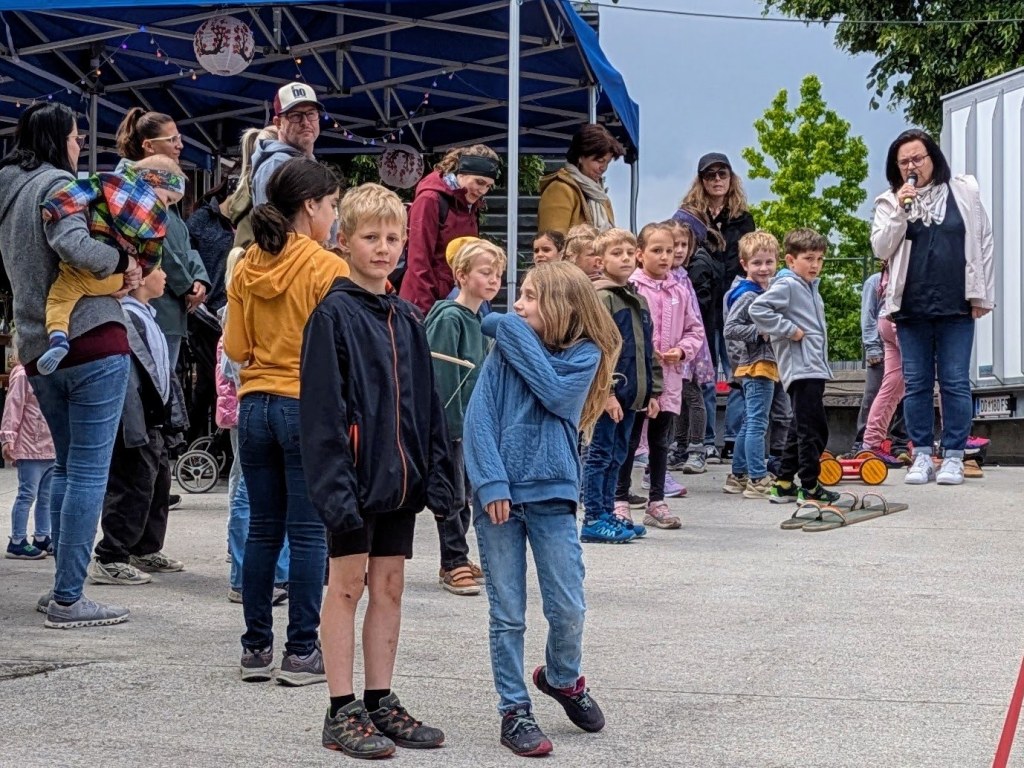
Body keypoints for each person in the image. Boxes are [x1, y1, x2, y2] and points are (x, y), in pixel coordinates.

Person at [300, 183, 453, 758]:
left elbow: (427, 406)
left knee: (389, 586)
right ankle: (341, 708)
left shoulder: (408, 319)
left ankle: (380, 698)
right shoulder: (331, 316)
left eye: (392, 238)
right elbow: (323, 413)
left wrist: (437, 476)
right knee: (346, 586)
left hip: (399, 481)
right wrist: (335, 492)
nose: (383, 248)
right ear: (344, 241)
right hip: (353, 482)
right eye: (370, 237)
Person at [464, 261, 620, 757]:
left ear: (561, 305)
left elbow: (555, 393)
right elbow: (479, 418)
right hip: (500, 499)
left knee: (568, 607)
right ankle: (514, 709)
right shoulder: (505, 349)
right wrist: (490, 483)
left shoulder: (586, 354)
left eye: (530, 297)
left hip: (552, 496)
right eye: (518, 297)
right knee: (507, 613)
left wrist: (504, 326)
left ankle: (562, 678)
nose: (517, 305)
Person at [0, 102, 139, 629]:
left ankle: (63, 584)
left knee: (64, 467)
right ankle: (68, 598)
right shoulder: (59, 184)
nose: (80, 146)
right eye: (77, 137)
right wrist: (121, 261)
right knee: (87, 474)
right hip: (92, 338)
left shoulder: (8, 190)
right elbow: (73, 243)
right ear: (58, 139)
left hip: (38, 346)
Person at [224, 158, 350, 685]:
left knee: (262, 530)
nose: (335, 216)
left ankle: (255, 649)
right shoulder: (327, 268)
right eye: (333, 205)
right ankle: (301, 652)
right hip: (305, 406)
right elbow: (339, 351)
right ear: (310, 206)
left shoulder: (246, 264)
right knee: (308, 534)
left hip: (254, 405)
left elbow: (235, 347)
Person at [871, 128, 995, 486]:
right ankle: (922, 454)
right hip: (911, 307)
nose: (912, 166)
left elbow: (984, 241)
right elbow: (881, 248)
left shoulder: (964, 192)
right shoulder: (888, 202)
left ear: (932, 158)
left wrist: (982, 295)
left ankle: (954, 454)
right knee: (917, 383)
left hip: (956, 304)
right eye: (904, 162)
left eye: (917, 158)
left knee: (955, 381)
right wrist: (900, 209)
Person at [36, 154, 185, 375]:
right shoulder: (159, 220)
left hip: (84, 269)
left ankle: (58, 338)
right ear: (155, 181)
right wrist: (137, 275)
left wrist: (55, 207)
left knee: (59, 299)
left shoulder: (109, 182)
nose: (167, 206)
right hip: (115, 280)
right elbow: (152, 257)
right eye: (169, 199)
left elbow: (79, 191)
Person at [88, 265, 187, 585]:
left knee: (157, 484)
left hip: (153, 418)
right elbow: (131, 375)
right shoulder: (128, 317)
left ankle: (144, 548)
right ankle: (111, 555)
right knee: (132, 484)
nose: (165, 275)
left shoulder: (147, 315)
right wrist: (135, 420)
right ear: (141, 278)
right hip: (138, 417)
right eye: (159, 269)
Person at [425, 239, 506, 595]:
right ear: (461, 275)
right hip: (449, 425)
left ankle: (457, 556)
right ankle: (453, 560)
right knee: (450, 493)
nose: (494, 280)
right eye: (485, 273)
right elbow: (443, 378)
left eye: (498, 274)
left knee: (465, 492)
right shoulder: (449, 318)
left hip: (471, 425)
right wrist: (452, 426)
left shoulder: (480, 320)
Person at [216, 247, 289, 606]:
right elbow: (233, 362)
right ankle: (246, 577)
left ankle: (275, 573)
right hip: (256, 402)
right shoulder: (239, 308)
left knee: (270, 491)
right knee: (249, 490)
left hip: (269, 400)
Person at [749, 229, 841, 506]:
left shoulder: (810, 288)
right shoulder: (788, 285)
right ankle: (810, 485)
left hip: (812, 366)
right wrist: (790, 330)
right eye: (809, 258)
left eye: (820, 259)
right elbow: (758, 309)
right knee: (813, 431)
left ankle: (784, 483)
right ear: (791, 260)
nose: (815, 265)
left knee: (799, 427)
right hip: (801, 369)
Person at [115, 108, 210, 370]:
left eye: (179, 138)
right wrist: (186, 285)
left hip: (170, 305)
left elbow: (183, 239)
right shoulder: (133, 185)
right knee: (154, 383)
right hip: (152, 303)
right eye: (172, 139)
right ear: (148, 145)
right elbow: (157, 242)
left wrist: (199, 277)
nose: (180, 145)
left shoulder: (164, 183)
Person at [625, 222, 704, 526]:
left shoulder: (680, 291)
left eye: (669, 251)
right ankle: (619, 499)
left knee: (661, 440)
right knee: (630, 439)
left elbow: (695, 329)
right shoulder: (631, 288)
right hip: (637, 376)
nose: (664, 257)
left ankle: (656, 501)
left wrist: (682, 350)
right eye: (657, 250)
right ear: (640, 254)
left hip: (669, 377)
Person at [582, 229, 656, 544]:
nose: (625, 258)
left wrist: (653, 391)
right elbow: (599, 348)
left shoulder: (637, 298)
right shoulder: (602, 297)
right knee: (599, 454)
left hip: (632, 395)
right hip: (608, 395)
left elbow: (647, 349)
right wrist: (607, 392)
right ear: (600, 261)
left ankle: (608, 511)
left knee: (618, 455)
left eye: (629, 252)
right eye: (616, 253)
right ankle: (593, 517)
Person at [681, 154, 756, 461]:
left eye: (722, 174)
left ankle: (734, 438)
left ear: (730, 178)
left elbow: (748, 259)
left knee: (739, 372)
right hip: (702, 304)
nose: (716, 180)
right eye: (710, 175)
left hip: (734, 303)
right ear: (701, 180)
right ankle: (707, 438)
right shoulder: (689, 217)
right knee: (705, 376)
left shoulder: (743, 218)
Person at [399, 144, 499, 313]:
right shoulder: (430, 199)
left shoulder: (470, 205)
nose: (482, 190)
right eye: (479, 182)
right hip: (426, 302)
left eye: (488, 186)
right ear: (462, 172)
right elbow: (418, 260)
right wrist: (426, 311)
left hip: (456, 300)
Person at [723, 231, 781, 499]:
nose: (764, 268)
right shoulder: (747, 294)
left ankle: (739, 474)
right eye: (757, 263)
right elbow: (730, 328)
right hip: (757, 365)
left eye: (769, 262)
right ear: (744, 264)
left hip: (760, 364)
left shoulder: (764, 290)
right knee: (758, 423)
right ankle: (757, 477)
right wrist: (760, 332)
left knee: (750, 422)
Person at [665, 218, 715, 475]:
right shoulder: (670, 277)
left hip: (687, 348)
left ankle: (698, 448)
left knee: (693, 396)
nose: (679, 250)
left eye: (684, 245)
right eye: (674, 245)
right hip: (671, 347)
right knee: (680, 398)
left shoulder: (682, 278)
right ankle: (680, 445)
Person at [2, 350, 55, 560]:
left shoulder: (53, 372)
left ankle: (42, 536)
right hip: (30, 447)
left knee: (46, 496)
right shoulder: (23, 374)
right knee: (27, 494)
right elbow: (13, 407)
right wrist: (8, 437)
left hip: (51, 446)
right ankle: (17, 541)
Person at [537, 124, 624, 234]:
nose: (604, 168)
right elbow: (551, 241)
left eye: (607, 162)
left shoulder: (602, 197)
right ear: (580, 157)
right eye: (600, 161)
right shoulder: (559, 190)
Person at [861, 263, 908, 466]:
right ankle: (953, 442)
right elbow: (867, 316)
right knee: (938, 380)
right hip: (904, 317)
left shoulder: (886, 272)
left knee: (893, 386)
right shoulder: (875, 281)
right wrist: (872, 347)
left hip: (888, 319)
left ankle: (871, 444)